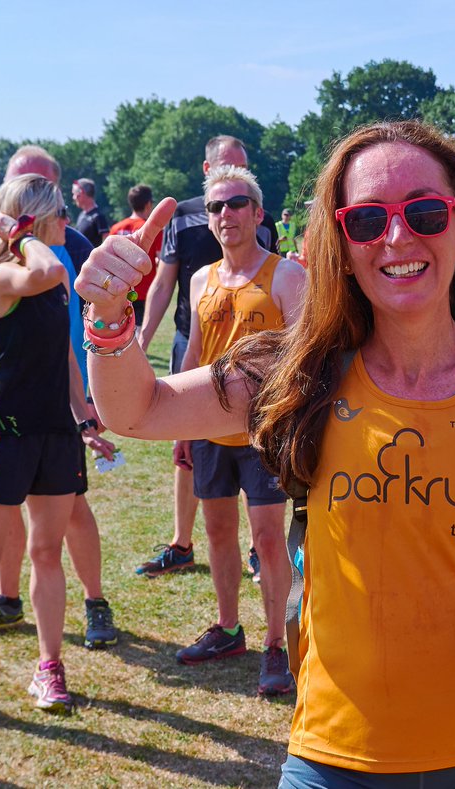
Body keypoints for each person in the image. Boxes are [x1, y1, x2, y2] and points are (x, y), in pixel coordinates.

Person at [75, 118, 455, 788]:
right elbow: (139, 408)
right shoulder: (300, 374)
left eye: (423, 212)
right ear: (342, 241)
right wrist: (108, 319)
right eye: (366, 220)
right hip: (336, 754)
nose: (396, 238)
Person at [0, 177, 113, 735]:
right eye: (59, 213)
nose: (67, 219)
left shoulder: (51, 276)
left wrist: (84, 416)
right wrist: (20, 238)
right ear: (34, 221)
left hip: (54, 435)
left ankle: (49, 667)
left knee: (46, 553)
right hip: (4, 436)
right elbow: (44, 271)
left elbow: (62, 351)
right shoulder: (1, 277)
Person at [171, 165, 307, 695]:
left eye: (234, 204)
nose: (224, 215)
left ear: (257, 212)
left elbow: (305, 356)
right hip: (208, 428)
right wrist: (180, 422)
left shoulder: (287, 276)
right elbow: (194, 352)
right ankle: (228, 628)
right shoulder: (200, 278)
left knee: (269, 540)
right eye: (215, 207)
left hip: (264, 432)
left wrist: (293, 421)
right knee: (217, 532)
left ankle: (276, 643)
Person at [134, 135, 278, 579]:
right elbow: (162, 283)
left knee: (254, 448)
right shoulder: (182, 215)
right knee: (191, 446)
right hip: (194, 337)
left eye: (243, 173)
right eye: (225, 171)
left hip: (253, 349)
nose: (230, 200)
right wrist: (141, 341)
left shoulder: (262, 219)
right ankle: (182, 541)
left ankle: (259, 548)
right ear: (206, 169)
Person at [107, 184, 162, 326]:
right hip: (143, 292)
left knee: (120, 330)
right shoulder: (151, 229)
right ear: (148, 204)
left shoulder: (115, 228)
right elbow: (161, 259)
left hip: (119, 290)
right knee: (138, 335)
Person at [72, 178, 110, 247]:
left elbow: (106, 244)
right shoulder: (81, 215)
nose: (74, 197)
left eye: (75, 194)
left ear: (82, 192)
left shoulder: (98, 217)